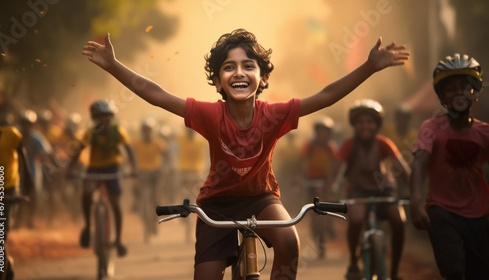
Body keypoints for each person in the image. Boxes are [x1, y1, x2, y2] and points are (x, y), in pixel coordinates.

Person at [82, 29, 409, 280]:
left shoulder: (276, 114)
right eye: (229, 67)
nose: (239, 72)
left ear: (262, 77)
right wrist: (113, 66)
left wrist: (369, 66)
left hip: (262, 198)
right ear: (219, 81)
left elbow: (326, 95)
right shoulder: (209, 114)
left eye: (248, 66)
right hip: (216, 203)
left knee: (290, 242)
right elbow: (153, 93)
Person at [410, 54, 489, 279]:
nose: (459, 93)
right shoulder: (431, 128)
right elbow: (420, 162)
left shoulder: (484, 133)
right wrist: (414, 202)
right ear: (442, 97)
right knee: (453, 271)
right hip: (442, 211)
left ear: (475, 92)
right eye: (451, 89)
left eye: (465, 87)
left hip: (479, 214)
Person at [325, 99, 411, 280]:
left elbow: (402, 168)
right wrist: (328, 193)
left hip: (384, 189)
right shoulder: (349, 144)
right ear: (354, 125)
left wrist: (414, 192)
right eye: (360, 122)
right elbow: (334, 169)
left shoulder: (384, 143)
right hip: (358, 191)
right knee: (355, 219)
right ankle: (353, 262)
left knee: (399, 220)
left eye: (370, 122)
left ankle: (394, 271)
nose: (365, 126)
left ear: (377, 125)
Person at [68, 99, 137, 257]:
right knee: (87, 192)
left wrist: (133, 168)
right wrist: (70, 169)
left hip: (113, 167)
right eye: (99, 117)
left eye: (106, 117)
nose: (103, 120)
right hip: (94, 167)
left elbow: (129, 150)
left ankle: (118, 240)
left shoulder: (118, 131)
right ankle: (87, 226)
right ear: (94, 119)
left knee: (115, 202)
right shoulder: (90, 133)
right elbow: (78, 152)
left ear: (110, 118)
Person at [0, 101, 35, 280]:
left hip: (5, 190)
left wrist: (28, 179)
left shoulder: (11, 136)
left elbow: (22, 156)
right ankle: (5, 264)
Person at [299, 116, 338, 258]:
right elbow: (301, 160)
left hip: (326, 181)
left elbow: (336, 163)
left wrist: (333, 180)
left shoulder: (331, 147)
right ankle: (317, 233)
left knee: (332, 202)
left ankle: (329, 226)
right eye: (320, 131)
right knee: (313, 211)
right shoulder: (310, 145)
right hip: (312, 181)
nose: (322, 134)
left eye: (325, 131)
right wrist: (300, 177)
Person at [131, 117, 168, 235]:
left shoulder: (158, 143)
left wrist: (168, 167)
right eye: (145, 130)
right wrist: (129, 167)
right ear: (142, 131)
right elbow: (130, 157)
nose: (147, 132)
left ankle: (155, 220)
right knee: (135, 188)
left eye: (149, 130)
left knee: (156, 197)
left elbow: (167, 155)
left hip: (156, 173)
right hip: (142, 173)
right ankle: (136, 204)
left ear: (152, 131)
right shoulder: (137, 143)